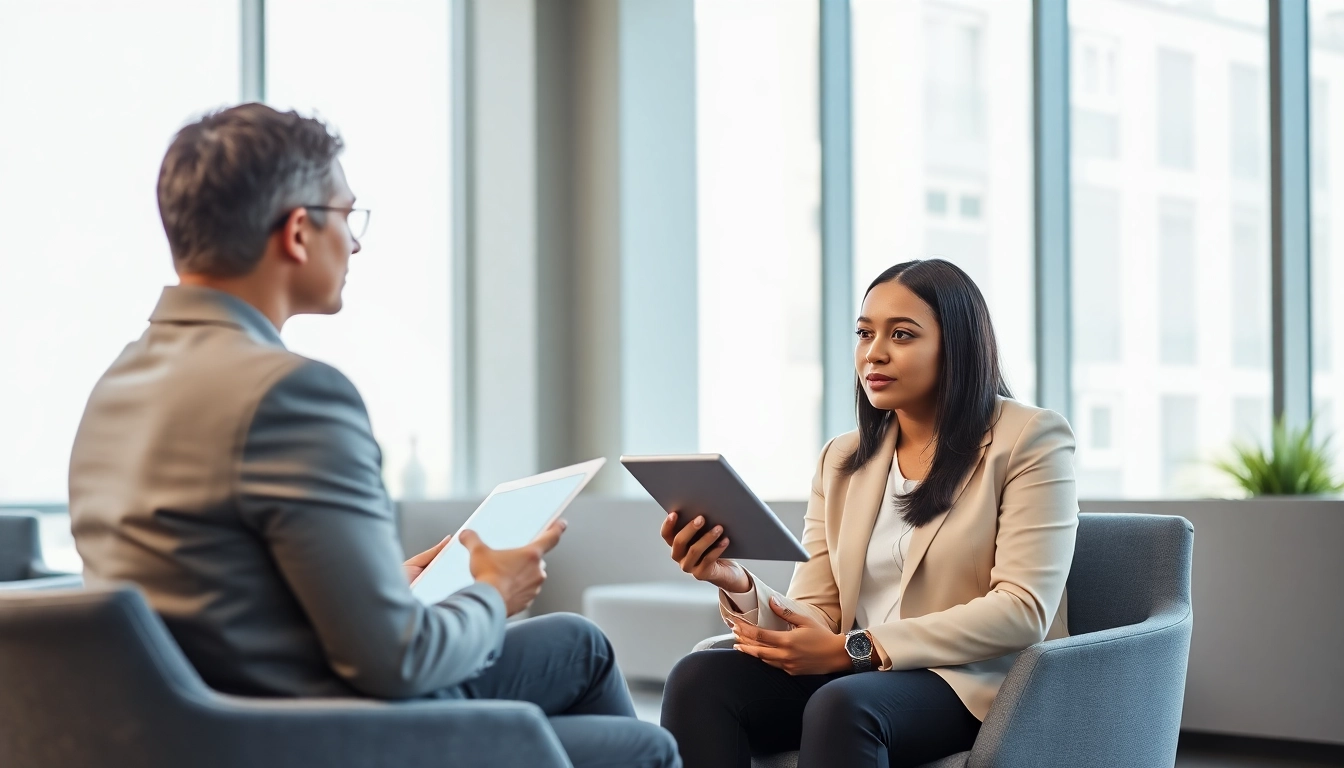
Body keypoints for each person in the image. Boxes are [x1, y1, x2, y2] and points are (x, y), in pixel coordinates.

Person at [68, 103, 679, 768]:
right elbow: (399, 660)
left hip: (198, 721)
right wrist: (492, 593)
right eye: (347, 216)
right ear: (298, 232)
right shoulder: (291, 395)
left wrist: (383, 582)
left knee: (579, 646)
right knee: (644, 748)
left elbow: (222, 592)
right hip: (313, 735)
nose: (355, 244)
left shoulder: (116, 387)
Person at [659, 259, 1078, 768]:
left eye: (901, 334)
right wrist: (735, 581)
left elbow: (1022, 609)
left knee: (843, 704)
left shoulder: (1030, 438)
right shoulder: (842, 458)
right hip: (859, 675)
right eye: (864, 333)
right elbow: (816, 611)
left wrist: (854, 649)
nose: (874, 352)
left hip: (973, 679)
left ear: (957, 346)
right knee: (699, 678)